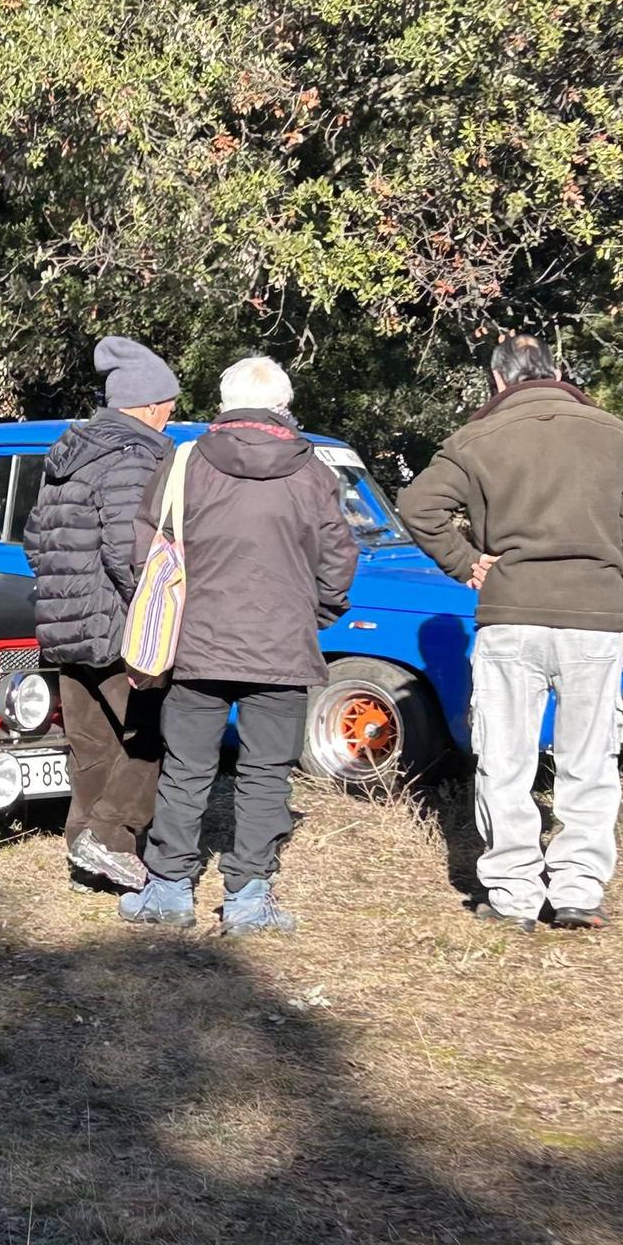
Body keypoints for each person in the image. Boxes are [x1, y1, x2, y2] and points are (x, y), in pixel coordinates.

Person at [400, 334, 623, 932]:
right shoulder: (614, 435)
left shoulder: (475, 440)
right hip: (594, 620)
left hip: (511, 618)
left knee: (506, 759)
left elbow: (419, 509)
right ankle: (577, 890)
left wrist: (466, 562)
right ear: (555, 371)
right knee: (589, 760)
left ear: (498, 381)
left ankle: (514, 893)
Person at [120, 356, 357, 934]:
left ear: (223, 403)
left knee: (186, 768)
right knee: (267, 773)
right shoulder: (315, 474)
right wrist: (315, 613)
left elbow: (145, 551)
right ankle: (249, 897)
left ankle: (170, 890)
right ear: (284, 406)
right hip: (282, 646)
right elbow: (338, 560)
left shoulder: (183, 464)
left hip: (197, 646)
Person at [22, 336, 181, 890]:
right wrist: (157, 612)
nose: (171, 417)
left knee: (91, 746)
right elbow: (129, 549)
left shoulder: (71, 454)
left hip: (64, 624)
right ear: (149, 406)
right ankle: (112, 841)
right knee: (150, 734)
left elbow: (35, 539)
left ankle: (84, 851)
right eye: (169, 406)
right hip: (117, 625)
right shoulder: (132, 456)